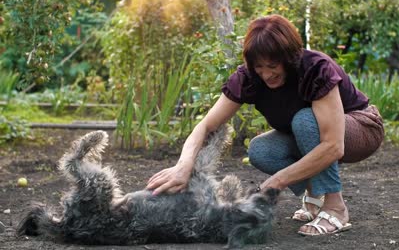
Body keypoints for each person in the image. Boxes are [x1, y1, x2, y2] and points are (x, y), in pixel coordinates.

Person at [147, 14, 384, 236]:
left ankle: (335, 207)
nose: (266, 74)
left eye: (272, 66)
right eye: (259, 67)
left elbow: (333, 146)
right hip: (314, 134)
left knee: (304, 120)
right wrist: (183, 165)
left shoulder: (315, 69)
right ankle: (315, 197)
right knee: (261, 150)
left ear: (289, 57)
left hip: (361, 128)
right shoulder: (249, 77)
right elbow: (206, 125)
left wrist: (277, 181)